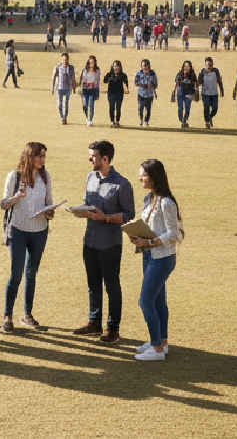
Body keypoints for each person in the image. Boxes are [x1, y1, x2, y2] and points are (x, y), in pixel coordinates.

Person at [72, 140, 135, 344]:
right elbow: (88, 203)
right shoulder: (90, 176)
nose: (90, 159)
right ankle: (94, 322)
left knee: (111, 286)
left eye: (93, 156)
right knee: (93, 284)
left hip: (110, 245)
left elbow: (128, 216)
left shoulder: (122, 184)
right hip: (89, 241)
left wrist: (105, 218)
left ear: (105, 159)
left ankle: (113, 329)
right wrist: (81, 211)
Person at [128, 159, 183, 361]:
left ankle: (157, 349)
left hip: (162, 258)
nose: (139, 178)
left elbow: (175, 234)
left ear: (154, 176)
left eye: (143, 174)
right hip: (149, 255)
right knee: (159, 301)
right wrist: (137, 235)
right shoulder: (149, 198)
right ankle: (162, 342)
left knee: (145, 301)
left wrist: (150, 242)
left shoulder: (167, 203)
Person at [0, 142, 57, 333]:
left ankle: (27, 315)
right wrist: (17, 197)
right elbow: (4, 204)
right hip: (18, 230)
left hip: (40, 230)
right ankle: (7, 316)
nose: (42, 160)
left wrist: (49, 212)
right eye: (39, 156)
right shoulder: (14, 176)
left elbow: (49, 203)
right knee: (16, 274)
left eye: (44, 156)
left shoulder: (45, 177)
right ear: (28, 156)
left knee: (32, 273)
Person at [170, 60, 199, 129]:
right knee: (180, 108)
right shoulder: (180, 73)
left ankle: (184, 120)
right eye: (185, 66)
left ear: (190, 67)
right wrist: (174, 91)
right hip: (180, 92)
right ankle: (181, 120)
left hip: (190, 92)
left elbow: (196, 83)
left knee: (187, 107)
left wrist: (197, 92)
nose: (186, 67)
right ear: (183, 67)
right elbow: (176, 83)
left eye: (188, 66)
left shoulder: (193, 74)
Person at [50, 53, 77, 125]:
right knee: (59, 104)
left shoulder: (71, 68)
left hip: (68, 88)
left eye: (66, 59)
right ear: (61, 60)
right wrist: (52, 88)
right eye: (63, 59)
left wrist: (74, 88)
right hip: (59, 88)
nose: (64, 61)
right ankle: (62, 117)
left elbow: (73, 78)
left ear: (68, 60)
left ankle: (65, 117)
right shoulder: (57, 67)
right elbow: (53, 78)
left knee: (66, 104)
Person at [199, 56, 224, 129]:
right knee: (206, 108)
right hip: (205, 94)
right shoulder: (202, 71)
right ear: (205, 65)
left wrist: (222, 90)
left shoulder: (216, 71)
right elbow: (199, 82)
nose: (209, 66)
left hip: (214, 94)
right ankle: (207, 122)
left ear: (212, 64)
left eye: (211, 65)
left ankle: (210, 117)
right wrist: (198, 91)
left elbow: (219, 81)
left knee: (215, 109)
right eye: (208, 65)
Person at [104, 60, 129, 128]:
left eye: (117, 66)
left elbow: (126, 83)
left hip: (120, 94)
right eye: (114, 66)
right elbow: (104, 81)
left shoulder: (123, 75)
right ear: (112, 67)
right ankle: (112, 121)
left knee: (118, 108)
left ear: (120, 67)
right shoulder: (109, 74)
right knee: (111, 107)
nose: (116, 67)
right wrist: (110, 78)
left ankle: (117, 121)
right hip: (111, 93)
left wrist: (127, 87)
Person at [134, 59, 158, 127]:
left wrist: (151, 85)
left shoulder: (153, 74)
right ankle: (141, 120)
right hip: (141, 94)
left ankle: (146, 121)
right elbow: (135, 82)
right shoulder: (139, 73)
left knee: (148, 110)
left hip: (149, 95)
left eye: (145, 65)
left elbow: (156, 85)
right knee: (140, 109)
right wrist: (142, 85)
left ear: (148, 66)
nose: (144, 67)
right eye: (143, 66)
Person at [79, 55, 101, 127]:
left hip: (93, 89)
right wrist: (81, 89)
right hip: (85, 89)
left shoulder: (97, 70)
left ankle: (90, 120)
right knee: (85, 105)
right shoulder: (84, 70)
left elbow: (98, 81)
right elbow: (82, 80)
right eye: (90, 62)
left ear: (95, 63)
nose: (91, 64)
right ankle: (86, 117)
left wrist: (97, 91)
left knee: (91, 105)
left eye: (93, 62)